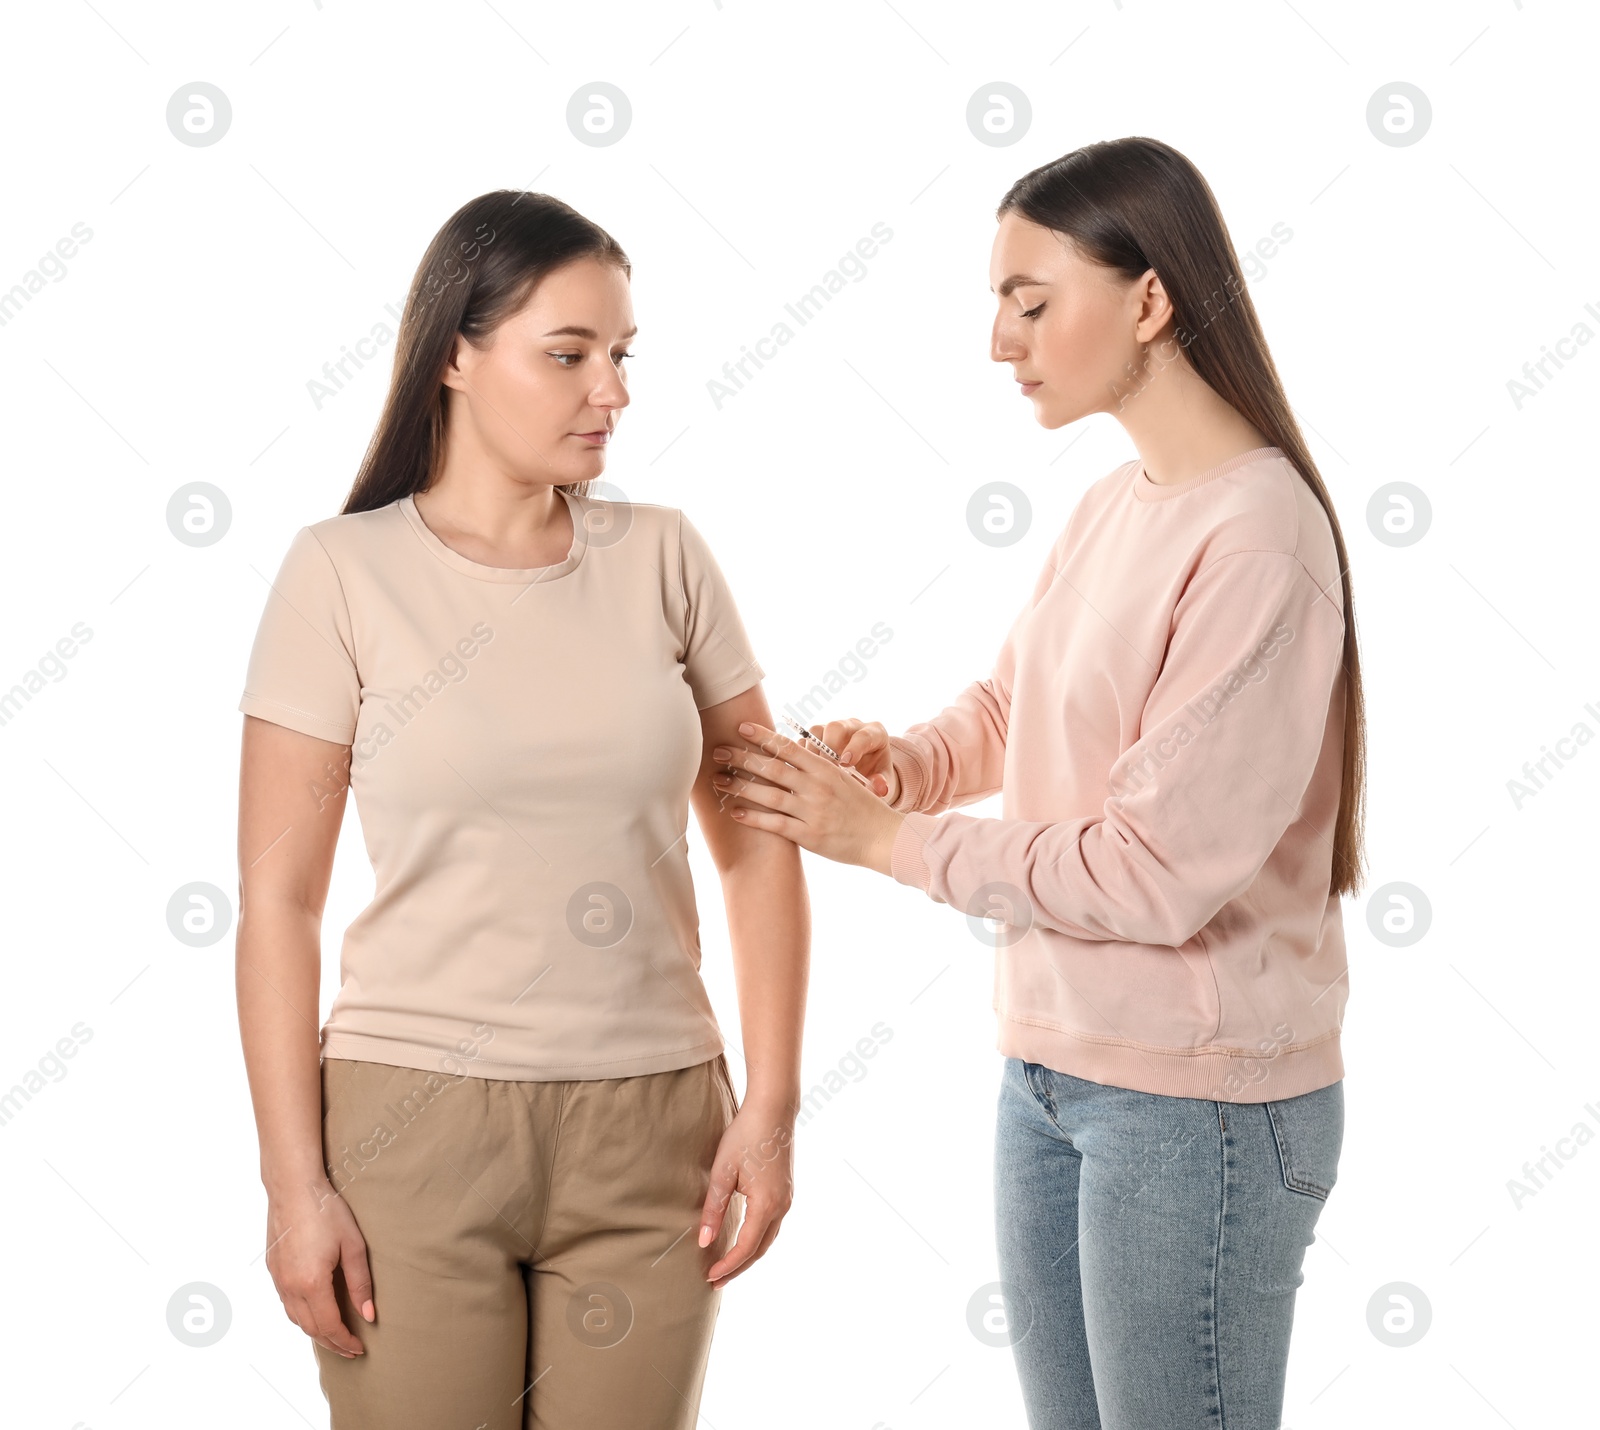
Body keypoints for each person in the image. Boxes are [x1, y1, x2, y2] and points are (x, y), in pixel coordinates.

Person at [710, 136, 1364, 1430]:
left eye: (1028, 300)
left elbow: (1153, 870)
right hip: (1053, 1074)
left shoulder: (1261, 537)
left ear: (1150, 299)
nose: (1000, 342)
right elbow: (1018, 701)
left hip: (1203, 1108)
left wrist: (893, 839)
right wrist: (909, 759)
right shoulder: (1122, 502)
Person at [234, 190, 807, 1430]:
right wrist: (293, 1186)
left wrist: (769, 1108)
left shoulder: (665, 556)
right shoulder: (339, 572)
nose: (612, 390)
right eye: (568, 355)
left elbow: (758, 845)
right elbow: (278, 900)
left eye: (621, 355)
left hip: (654, 1126)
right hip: (410, 1126)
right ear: (454, 352)